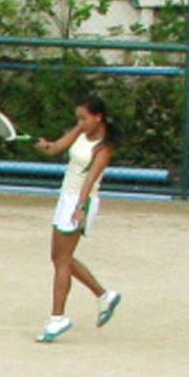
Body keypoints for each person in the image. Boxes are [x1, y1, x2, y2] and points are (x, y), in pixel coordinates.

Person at [34, 92, 129, 342]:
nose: (80, 122)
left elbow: (90, 178)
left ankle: (57, 318)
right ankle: (104, 296)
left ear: (98, 118)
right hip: (66, 198)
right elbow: (56, 148)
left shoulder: (104, 148)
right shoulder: (80, 130)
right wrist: (46, 146)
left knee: (62, 260)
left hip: (80, 201)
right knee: (58, 257)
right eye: (78, 118)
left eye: (84, 118)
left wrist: (80, 206)